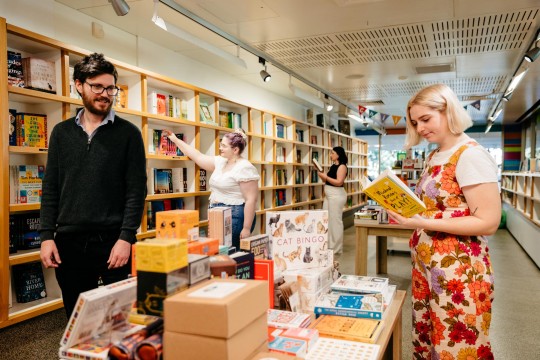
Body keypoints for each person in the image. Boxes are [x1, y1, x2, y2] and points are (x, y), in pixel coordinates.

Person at [387, 84, 500, 360]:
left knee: (457, 346)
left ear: (448, 111)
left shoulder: (470, 154)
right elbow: (439, 206)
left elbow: (488, 221)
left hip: (459, 273)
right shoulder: (434, 155)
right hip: (428, 268)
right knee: (429, 341)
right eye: (415, 122)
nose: (420, 128)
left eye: (426, 119)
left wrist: (424, 220)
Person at [39, 53, 147, 318]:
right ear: (79, 85)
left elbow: (136, 190)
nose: (105, 94)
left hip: (113, 242)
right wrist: (46, 237)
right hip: (69, 243)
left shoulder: (129, 134)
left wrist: (126, 238)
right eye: (97, 86)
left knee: (118, 319)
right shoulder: (62, 133)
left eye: (110, 88)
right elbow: (51, 186)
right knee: (78, 318)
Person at [162, 129, 259, 249]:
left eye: (224, 146)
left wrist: (246, 228)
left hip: (235, 216)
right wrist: (175, 139)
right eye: (220, 145)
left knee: (230, 253)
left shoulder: (245, 168)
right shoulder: (221, 162)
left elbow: (251, 200)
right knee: (220, 252)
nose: (220, 148)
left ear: (235, 150)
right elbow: (197, 156)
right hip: (216, 213)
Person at [317, 146, 348, 255]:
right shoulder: (333, 166)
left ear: (338, 154)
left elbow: (339, 182)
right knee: (326, 220)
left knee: (335, 222)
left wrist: (325, 177)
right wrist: (322, 175)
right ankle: (328, 245)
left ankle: (336, 248)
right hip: (329, 195)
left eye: (332, 153)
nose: (330, 155)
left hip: (336, 195)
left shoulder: (342, 166)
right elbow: (328, 181)